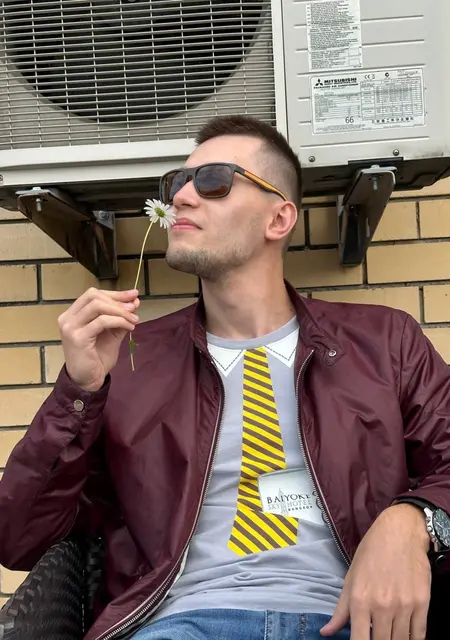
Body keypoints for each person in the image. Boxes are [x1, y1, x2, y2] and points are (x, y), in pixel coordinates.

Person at [1, 115, 450, 640]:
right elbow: (20, 539)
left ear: (279, 219)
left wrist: (413, 518)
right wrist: (78, 394)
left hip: (355, 621)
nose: (181, 197)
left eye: (213, 181)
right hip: (182, 623)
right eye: (176, 183)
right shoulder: (131, 360)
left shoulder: (384, 341)